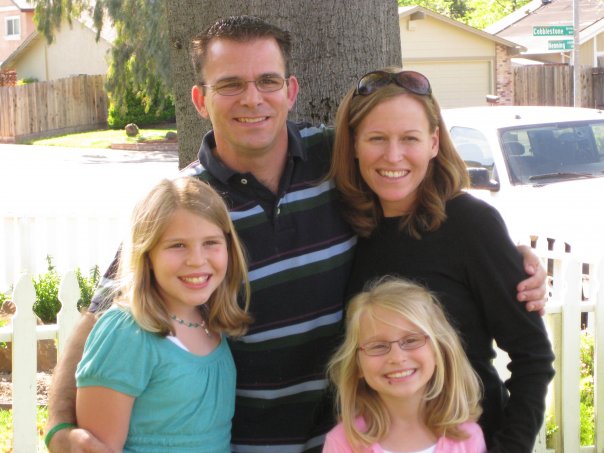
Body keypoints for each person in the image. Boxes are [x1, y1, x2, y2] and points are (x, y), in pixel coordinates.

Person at [45, 17, 548, 453]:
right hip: (250, 442)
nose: (252, 98)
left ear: (290, 90)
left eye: (267, 81)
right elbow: (105, 312)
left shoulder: (340, 160)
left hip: (358, 436)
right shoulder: (189, 204)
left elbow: (420, 200)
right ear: (200, 99)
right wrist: (60, 426)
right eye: (230, 85)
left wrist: (508, 258)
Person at [329, 68, 555, 452]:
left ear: (433, 142)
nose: (393, 155)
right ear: (353, 144)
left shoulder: (471, 225)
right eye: (377, 138)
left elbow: (533, 357)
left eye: (410, 138)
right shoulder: (338, 226)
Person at [73, 177, 251, 452]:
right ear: (147, 254)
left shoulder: (210, 323)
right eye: (177, 245)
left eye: (210, 242)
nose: (196, 259)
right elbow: (97, 447)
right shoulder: (127, 333)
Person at [324, 277, 486, 453]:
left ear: (439, 350)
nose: (397, 358)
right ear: (357, 365)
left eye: (411, 340)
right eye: (378, 346)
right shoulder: (342, 442)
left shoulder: (467, 436)